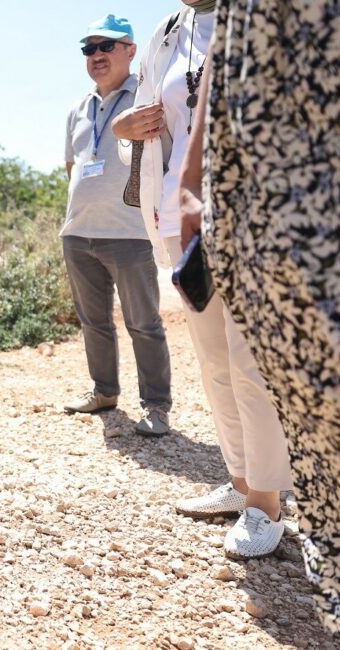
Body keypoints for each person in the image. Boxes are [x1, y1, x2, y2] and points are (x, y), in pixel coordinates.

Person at [179, 0, 340, 631]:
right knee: (234, 366)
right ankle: (252, 485)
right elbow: (215, 86)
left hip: (307, 198)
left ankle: (269, 500)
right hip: (242, 208)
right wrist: (189, 189)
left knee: (283, 378)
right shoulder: (228, 19)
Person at [112, 0, 294, 559]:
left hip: (254, 219)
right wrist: (124, 128)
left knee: (251, 362)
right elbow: (147, 123)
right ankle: (241, 483)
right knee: (215, 362)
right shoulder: (169, 32)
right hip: (180, 217)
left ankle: (267, 502)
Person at [60, 15, 173, 437]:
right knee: (94, 323)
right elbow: (72, 167)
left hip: (129, 233)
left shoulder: (146, 97)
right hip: (78, 234)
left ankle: (156, 408)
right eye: (89, 48)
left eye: (106, 45)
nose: (97, 55)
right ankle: (104, 392)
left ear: (131, 50)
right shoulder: (78, 108)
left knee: (143, 324)